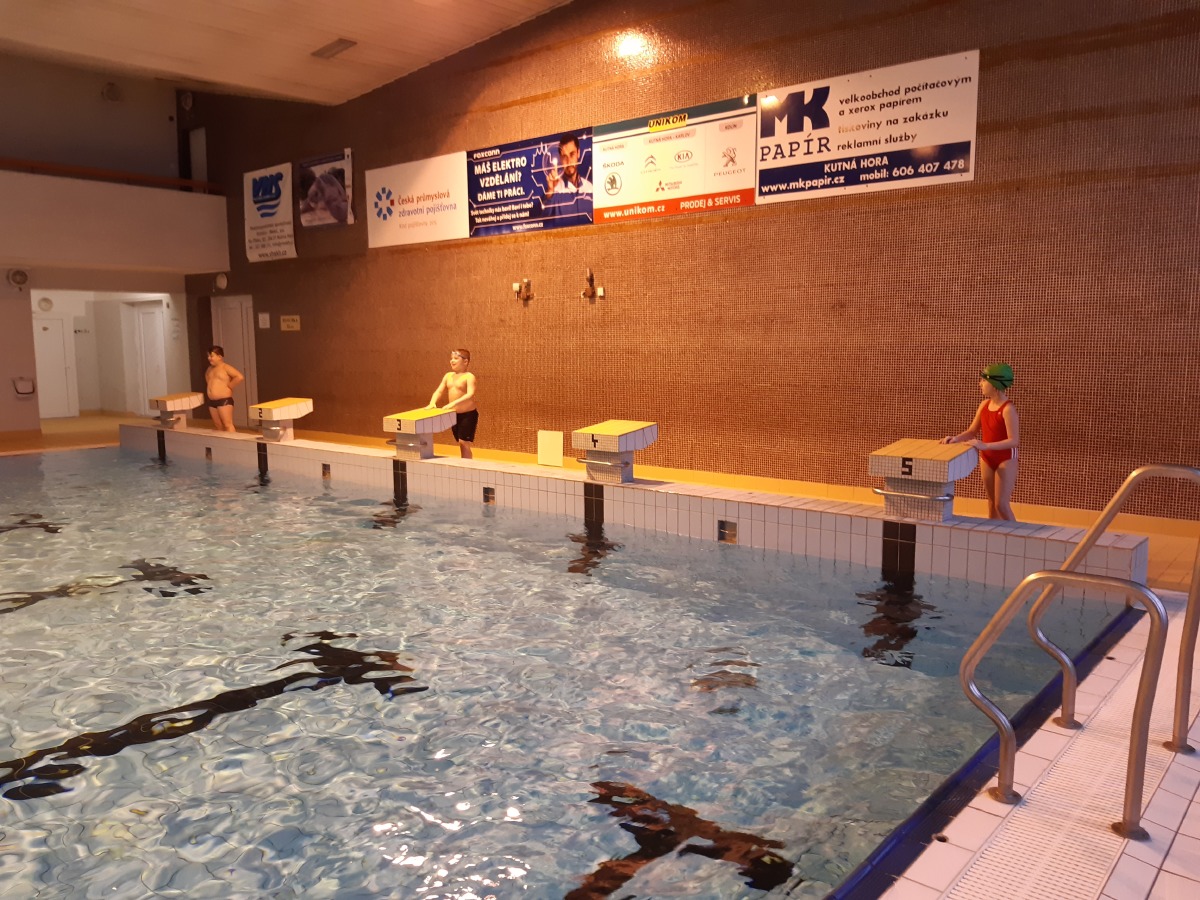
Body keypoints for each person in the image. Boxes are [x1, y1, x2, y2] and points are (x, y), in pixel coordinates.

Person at [941, 363, 1019, 521]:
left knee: (1001, 505)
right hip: (987, 457)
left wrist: (985, 445)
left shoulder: (1007, 409)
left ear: (995, 384)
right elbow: (972, 431)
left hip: (1005, 458)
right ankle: (991, 533)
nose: (980, 384)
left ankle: (1019, 534)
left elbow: (1014, 440)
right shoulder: (984, 405)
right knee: (991, 503)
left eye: (984, 380)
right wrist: (956, 438)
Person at [426, 349, 478, 459]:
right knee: (460, 441)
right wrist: (432, 402)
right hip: (454, 414)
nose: (452, 361)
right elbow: (439, 391)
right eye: (451, 358)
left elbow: (470, 394)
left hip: (468, 415)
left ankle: (465, 465)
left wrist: (453, 403)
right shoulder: (448, 376)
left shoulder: (469, 376)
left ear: (465, 361)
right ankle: (466, 462)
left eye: (456, 358)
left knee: (464, 442)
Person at [541, 133, 592, 214]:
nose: (569, 162)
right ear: (560, 158)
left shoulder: (590, 188)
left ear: (578, 153)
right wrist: (550, 192)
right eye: (564, 156)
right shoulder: (554, 190)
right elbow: (544, 217)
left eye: (572, 154)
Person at [205, 345, 244, 433]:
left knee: (227, 424)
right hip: (212, 401)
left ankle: (232, 440)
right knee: (218, 425)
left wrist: (230, 386)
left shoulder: (225, 367)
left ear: (219, 357)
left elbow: (239, 377)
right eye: (208, 356)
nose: (209, 358)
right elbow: (208, 379)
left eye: (211, 356)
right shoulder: (209, 369)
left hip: (224, 400)